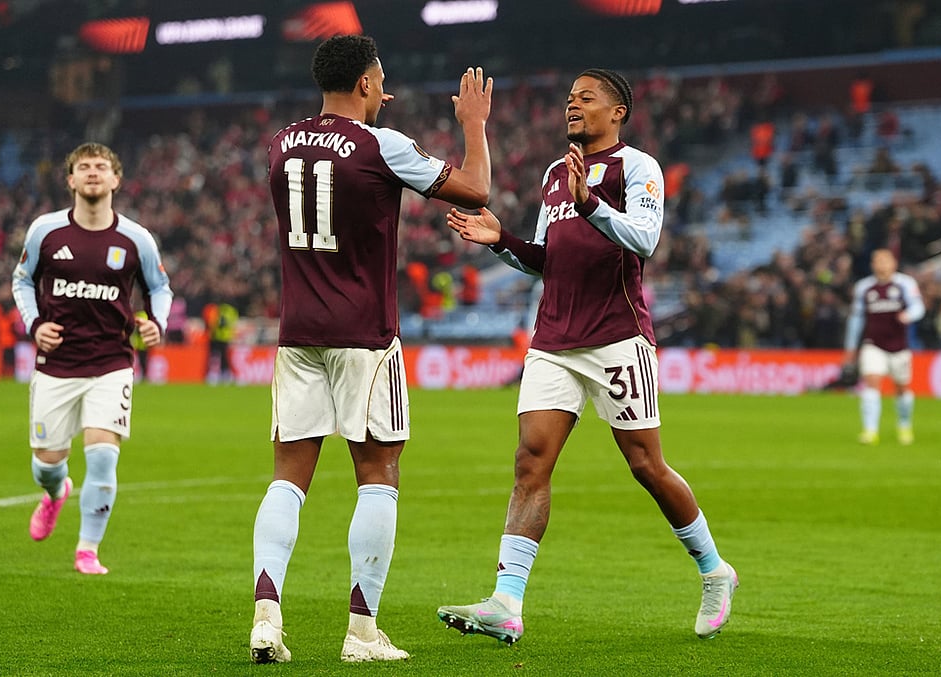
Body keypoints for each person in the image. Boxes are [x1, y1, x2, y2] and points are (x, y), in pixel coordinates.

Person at [436, 68, 737, 644]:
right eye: (569, 98)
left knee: (646, 465)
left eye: (586, 98)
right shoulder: (555, 173)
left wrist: (591, 202)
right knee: (531, 460)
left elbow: (645, 240)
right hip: (553, 340)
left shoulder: (637, 167)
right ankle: (507, 601)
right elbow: (545, 258)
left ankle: (714, 570)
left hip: (618, 336)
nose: (572, 105)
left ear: (618, 111)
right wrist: (501, 241)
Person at [249, 34, 492, 664]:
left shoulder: (280, 144)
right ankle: (361, 632)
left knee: (287, 478)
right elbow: (476, 189)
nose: (387, 93)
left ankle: (266, 617)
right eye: (381, 82)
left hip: (298, 332)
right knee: (379, 475)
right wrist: (473, 125)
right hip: (365, 334)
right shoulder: (381, 144)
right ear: (363, 83)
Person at [11, 142, 172, 575]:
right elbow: (21, 280)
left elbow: (159, 287)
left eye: (102, 166)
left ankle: (88, 549)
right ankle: (55, 491)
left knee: (102, 455)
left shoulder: (136, 239)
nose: (93, 172)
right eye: (84, 167)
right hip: (56, 364)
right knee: (46, 463)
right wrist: (34, 325)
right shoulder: (45, 231)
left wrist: (157, 321)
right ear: (71, 180)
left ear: (116, 178)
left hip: (111, 363)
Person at [843, 248, 925, 445]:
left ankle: (904, 424)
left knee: (902, 388)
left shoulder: (905, 283)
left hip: (899, 346)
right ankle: (870, 431)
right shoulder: (864, 287)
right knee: (871, 382)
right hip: (873, 344)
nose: (882, 265)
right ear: (872, 265)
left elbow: (918, 307)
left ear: (893, 264)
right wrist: (851, 346)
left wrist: (908, 315)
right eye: (878, 261)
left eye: (885, 261)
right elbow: (856, 319)